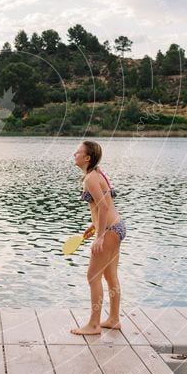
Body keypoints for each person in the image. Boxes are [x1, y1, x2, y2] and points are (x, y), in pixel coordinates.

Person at [70, 140, 126, 335]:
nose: (74, 155)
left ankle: (94, 325)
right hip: (116, 226)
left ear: (87, 158)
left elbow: (103, 207)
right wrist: (94, 226)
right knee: (110, 276)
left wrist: (100, 236)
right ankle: (113, 319)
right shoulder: (95, 174)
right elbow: (103, 206)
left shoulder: (90, 179)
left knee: (93, 276)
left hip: (110, 230)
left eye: (77, 152)